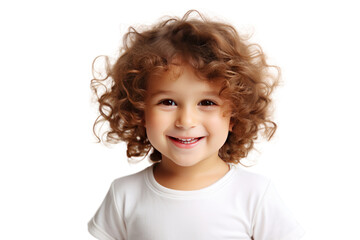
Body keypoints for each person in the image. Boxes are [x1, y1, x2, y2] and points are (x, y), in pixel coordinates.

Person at [88, 10, 304, 240]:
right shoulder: (124, 194)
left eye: (207, 102)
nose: (186, 121)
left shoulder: (254, 195)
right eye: (168, 102)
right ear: (139, 111)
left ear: (235, 115)